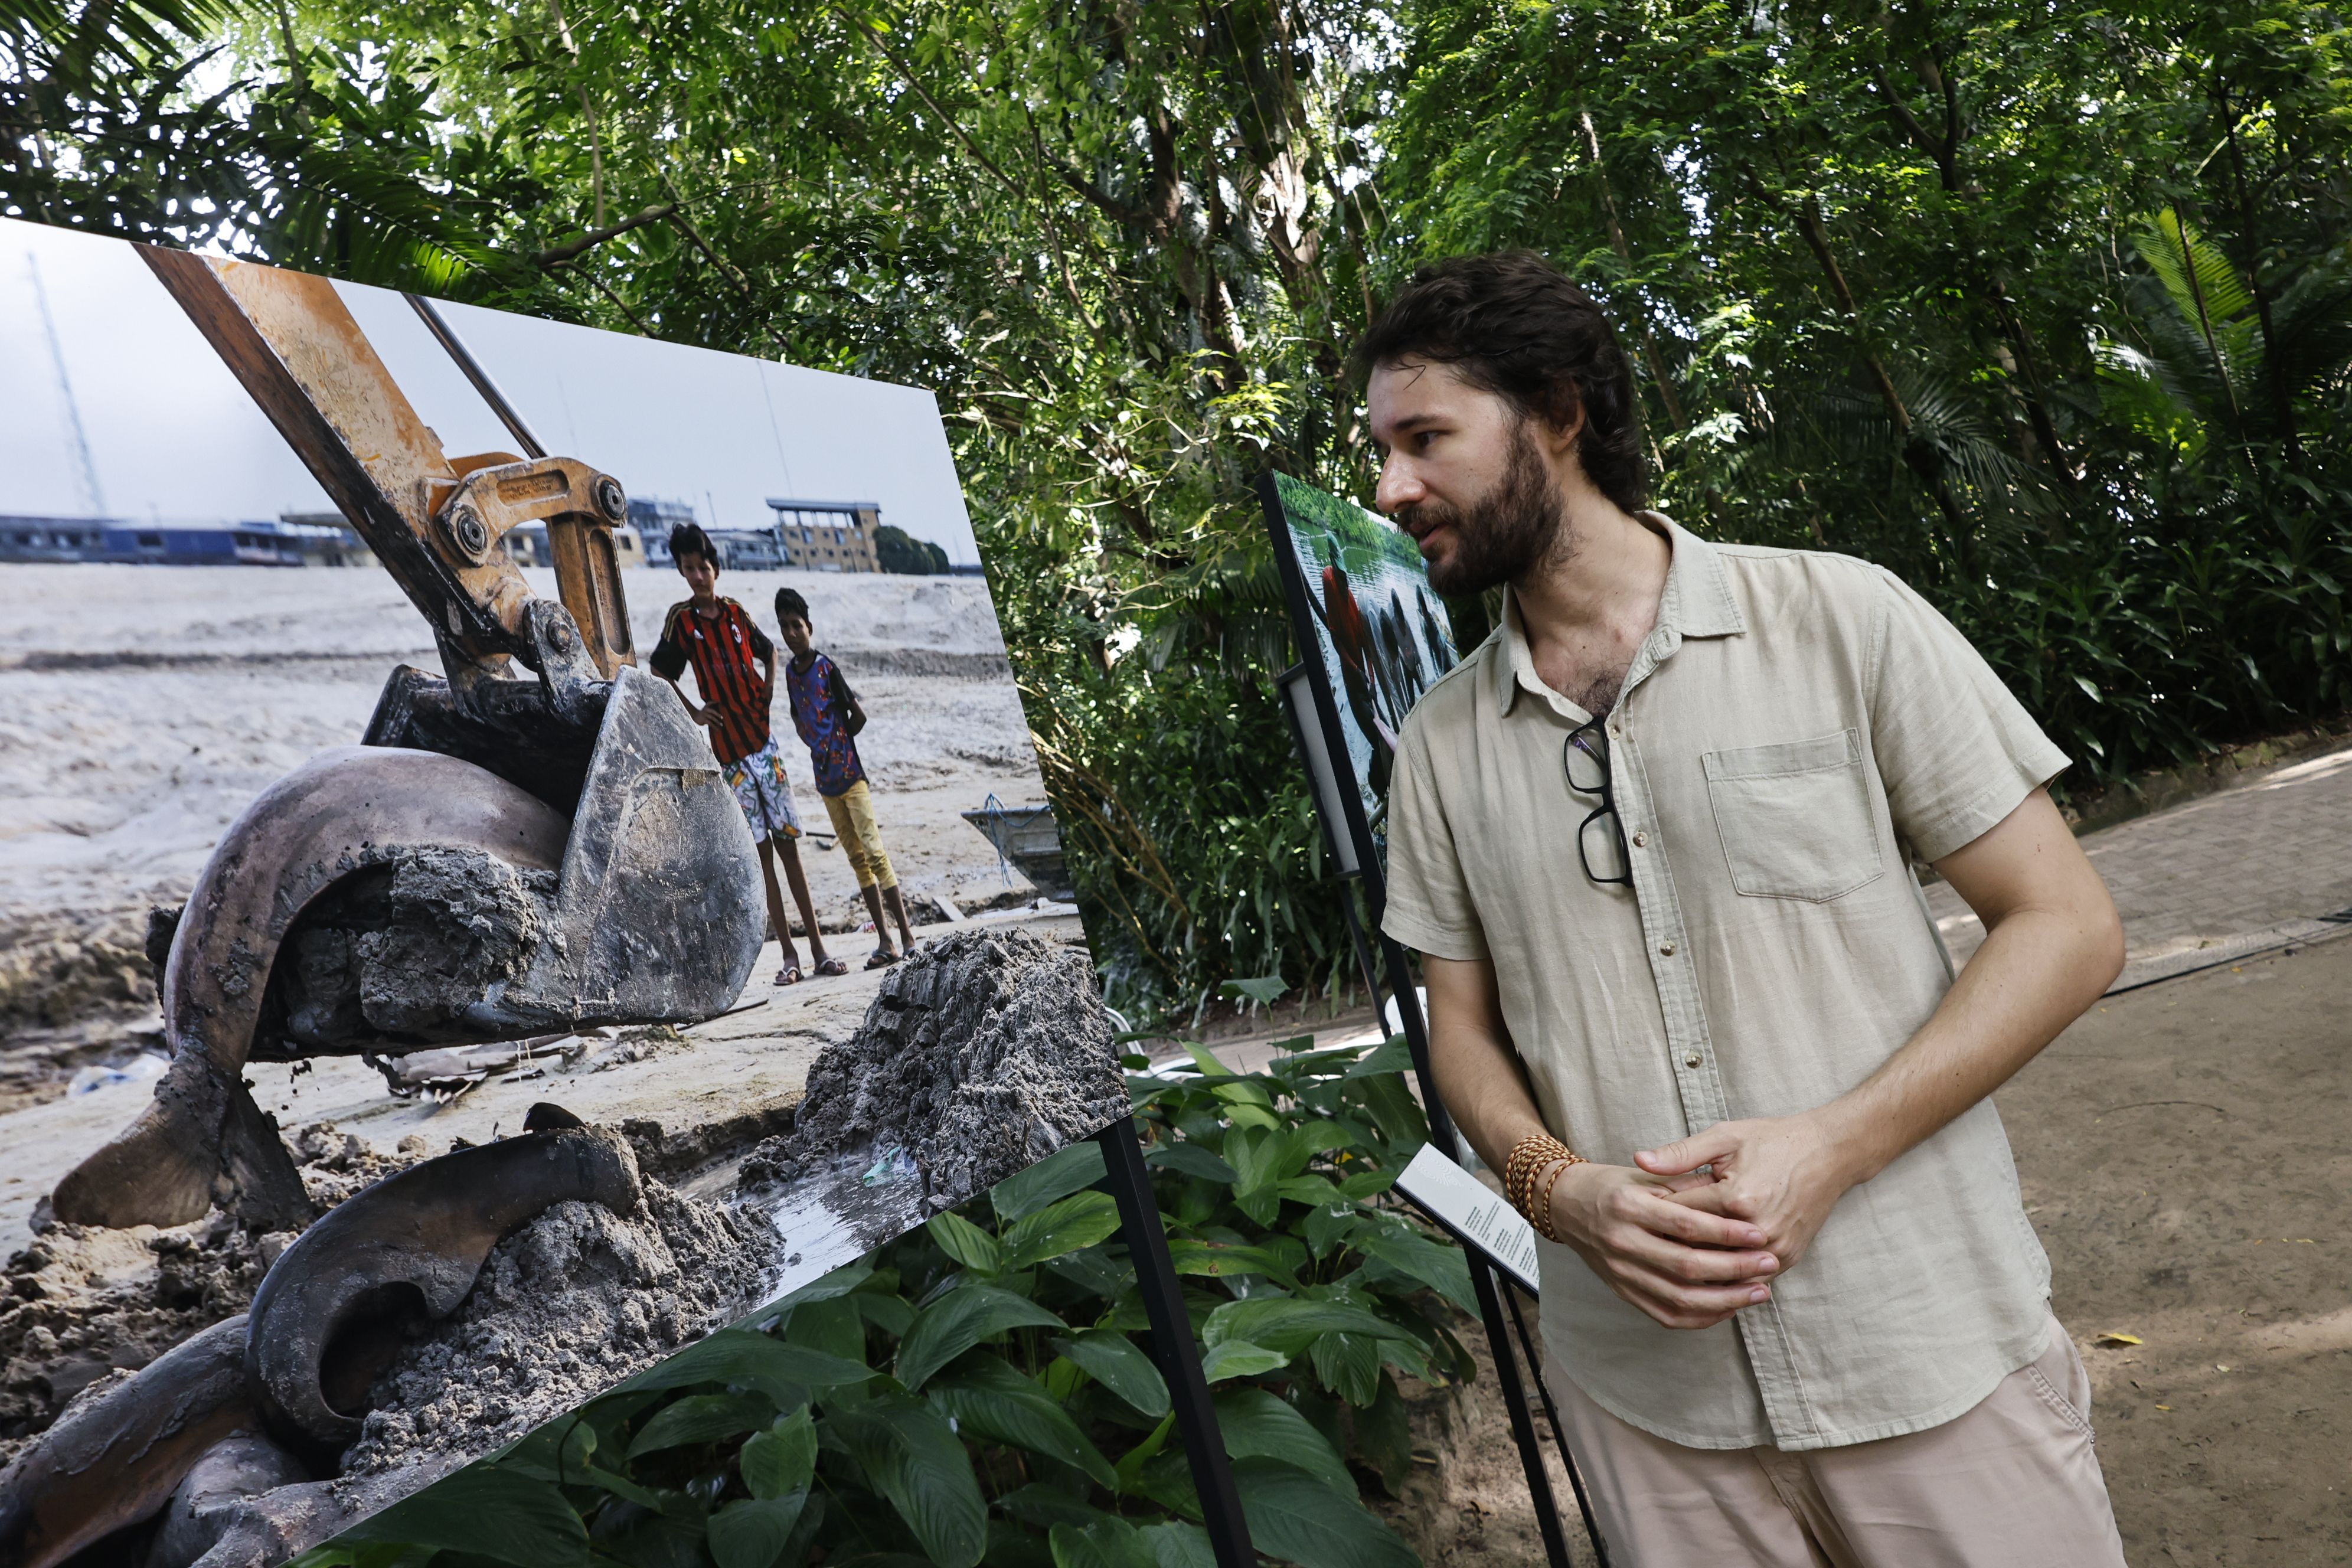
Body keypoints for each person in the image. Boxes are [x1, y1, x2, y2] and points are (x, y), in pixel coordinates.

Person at [1364, 251, 2130, 1566]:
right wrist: (1562, 1191)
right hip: (1648, 1413)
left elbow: (2067, 923)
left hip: (1922, 1343)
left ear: (1558, 411)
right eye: (1381, 450)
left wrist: (1833, 1143)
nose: (1392, 488)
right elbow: (1462, 1030)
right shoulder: (1436, 746)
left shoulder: (1839, 616)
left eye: (1426, 438)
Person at [649, 524, 844, 985]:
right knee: (762, 857)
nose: (698, 576)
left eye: (704, 568)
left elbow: (768, 651)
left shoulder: (736, 613)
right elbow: (659, 672)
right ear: (682, 571)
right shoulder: (683, 622)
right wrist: (695, 712)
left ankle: (819, 949)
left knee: (790, 848)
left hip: (764, 748)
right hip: (731, 759)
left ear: (716, 569)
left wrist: (771, 688)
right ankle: (790, 956)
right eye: (689, 569)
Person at [773, 586, 917, 967]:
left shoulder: (825, 667)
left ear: (810, 628)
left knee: (875, 851)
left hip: (851, 775)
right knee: (856, 857)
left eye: (797, 626)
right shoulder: (790, 673)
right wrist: (815, 744)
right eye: (784, 626)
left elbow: (859, 715)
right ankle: (885, 941)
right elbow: (796, 716)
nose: (791, 633)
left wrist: (838, 742)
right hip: (825, 782)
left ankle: (907, 936)